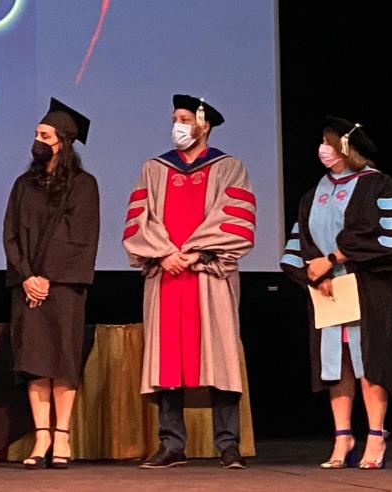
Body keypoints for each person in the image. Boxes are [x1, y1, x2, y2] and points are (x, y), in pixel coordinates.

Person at [122, 94, 255, 469]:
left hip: (209, 275)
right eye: (175, 118)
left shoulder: (229, 168)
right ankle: (171, 444)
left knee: (220, 357)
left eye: (184, 118)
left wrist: (194, 253)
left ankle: (228, 444)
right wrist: (165, 254)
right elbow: (138, 219)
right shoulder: (154, 168)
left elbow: (234, 218)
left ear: (204, 124)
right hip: (166, 276)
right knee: (168, 362)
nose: (177, 125)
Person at [280, 116, 392, 469]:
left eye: (329, 141)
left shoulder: (379, 186)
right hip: (328, 292)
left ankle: (375, 435)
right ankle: (343, 437)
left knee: (369, 361)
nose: (322, 149)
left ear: (346, 148)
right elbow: (300, 243)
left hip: (370, 289)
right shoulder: (315, 193)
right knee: (334, 365)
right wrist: (313, 273)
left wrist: (332, 259)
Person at [3, 98, 100, 470]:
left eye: (44, 135)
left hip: (63, 287)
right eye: (36, 134)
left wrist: (47, 277)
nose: (37, 140)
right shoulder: (23, 184)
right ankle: (41, 434)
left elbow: (78, 236)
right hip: (28, 286)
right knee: (34, 361)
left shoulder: (83, 186)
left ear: (63, 140)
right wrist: (27, 276)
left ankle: (63, 435)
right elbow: (10, 233)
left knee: (61, 359)